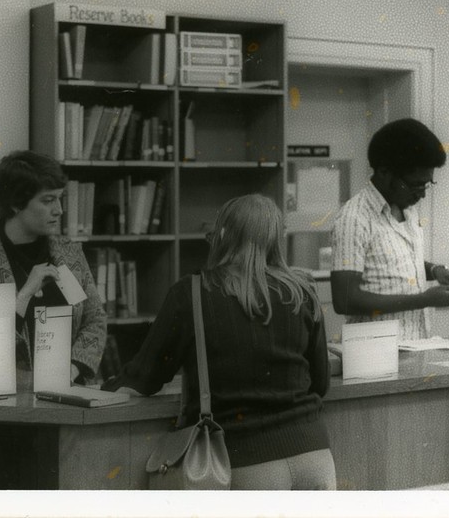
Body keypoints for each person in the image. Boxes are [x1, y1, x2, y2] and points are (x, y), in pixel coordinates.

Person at [102, 194, 336, 490]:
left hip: (248, 461)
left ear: (222, 236)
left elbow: (145, 378)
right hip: (314, 455)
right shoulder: (303, 292)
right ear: (276, 238)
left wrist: (102, 387)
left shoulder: (193, 293)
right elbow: (321, 383)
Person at [0, 150, 106, 383]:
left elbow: (95, 319)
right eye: (48, 200)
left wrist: (73, 369)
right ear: (16, 204)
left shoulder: (70, 253)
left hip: (71, 390)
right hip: (11, 402)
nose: (59, 210)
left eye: (60, 199)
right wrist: (24, 295)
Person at [331, 118, 449, 341]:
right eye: (416, 185)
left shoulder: (407, 208)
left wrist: (435, 271)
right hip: (374, 354)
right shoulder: (354, 218)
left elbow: (388, 265)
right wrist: (423, 299)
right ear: (385, 172)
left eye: (427, 185)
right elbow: (345, 299)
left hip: (416, 343)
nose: (422, 194)